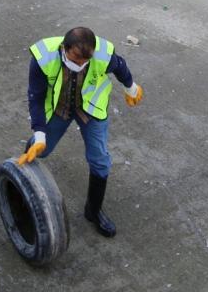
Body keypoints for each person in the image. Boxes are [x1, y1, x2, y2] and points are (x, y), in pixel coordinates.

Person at [17, 27, 144, 238]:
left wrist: (131, 87)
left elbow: (120, 66)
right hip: (60, 108)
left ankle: (93, 212)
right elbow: (36, 97)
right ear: (63, 48)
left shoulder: (101, 55)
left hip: (90, 108)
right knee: (39, 151)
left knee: (100, 160)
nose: (80, 64)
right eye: (75, 59)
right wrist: (39, 133)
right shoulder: (43, 57)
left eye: (85, 61)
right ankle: (23, 186)